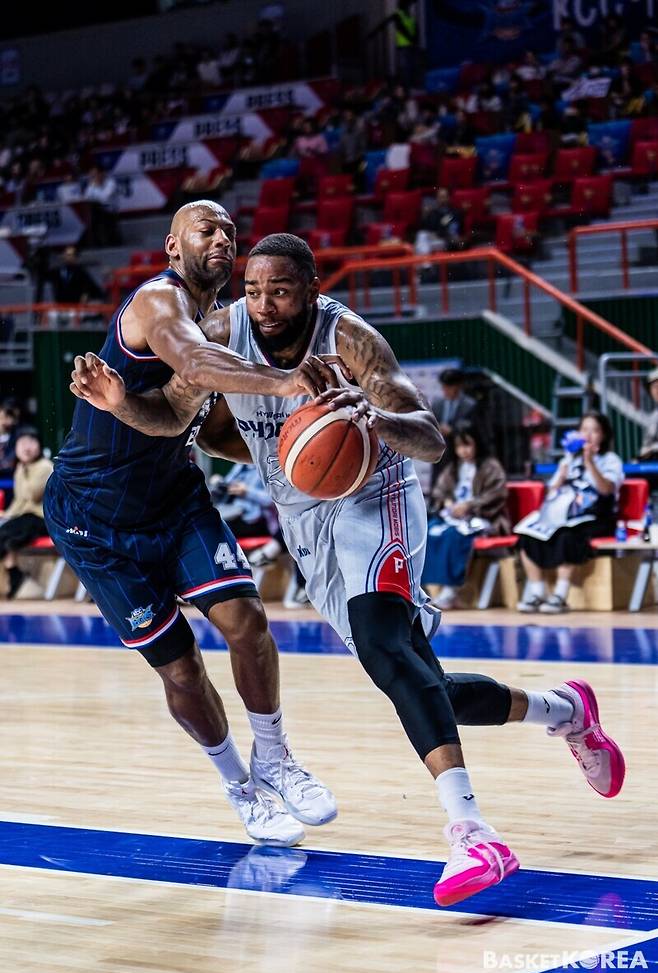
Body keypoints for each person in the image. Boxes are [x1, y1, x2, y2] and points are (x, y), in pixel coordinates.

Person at [72, 233, 626, 909]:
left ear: (311, 290)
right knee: (421, 684)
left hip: (375, 495)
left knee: (387, 650)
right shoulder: (222, 335)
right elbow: (170, 414)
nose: (264, 305)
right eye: (253, 290)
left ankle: (473, 833)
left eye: (280, 291)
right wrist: (120, 403)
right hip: (304, 519)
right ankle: (565, 710)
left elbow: (430, 436)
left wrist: (372, 418)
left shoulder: (350, 339)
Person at [44, 200, 338, 850]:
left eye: (230, 230)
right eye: (207, 228)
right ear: (173, 246)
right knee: (181, 668)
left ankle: (274, 757)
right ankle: (241, 786)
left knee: (248, 623)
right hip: (94, 518)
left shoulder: (220, 324)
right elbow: (197, 365)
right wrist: (287, 381)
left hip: (173, 499)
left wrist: (295, 457)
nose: (223, 237)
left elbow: (182, 421)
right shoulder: (159, 302)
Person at [516, 412, 624, 615]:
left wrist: (590, 463)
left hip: (596, 516)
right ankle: (537, 592)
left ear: (604, 435)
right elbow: (551, 492)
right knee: (527, 535)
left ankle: (560, 595)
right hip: (563, 514)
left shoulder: (610, 460)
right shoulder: (569, 458)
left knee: (567, 536)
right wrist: (561, 478)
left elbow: (606, 489)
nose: (589, 435)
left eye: (595, 430)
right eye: (585, 429)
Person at [424, 426, 509, 609]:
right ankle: (427, 589)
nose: (464, 450)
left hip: (484, 518)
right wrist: (447, 502)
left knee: (454, 535)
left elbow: (497, 494)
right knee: (431, 531)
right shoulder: (453, 467)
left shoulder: (491, 467)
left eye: (468, 445)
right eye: (459, 446)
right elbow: (439, 492)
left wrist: (469, 506)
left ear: (477, 444)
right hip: (454, 517)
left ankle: (451, 590)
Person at [0, 426, 52, 598]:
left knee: (8, 533)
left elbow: (32, 495)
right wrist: (7, 514)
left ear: (39, 445)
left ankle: (15, 574)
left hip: (41, 518)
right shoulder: (21, 468)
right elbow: (19, 500)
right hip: (25, 518)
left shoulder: (45, 467)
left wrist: (24, 470)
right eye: (21, 443)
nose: (26, 447)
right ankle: (14, 572)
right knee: (5, 532)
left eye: (31, 442)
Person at [638, 366, 658, 461]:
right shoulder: (654, 415)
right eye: (654, 387)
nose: (657, 390)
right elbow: (646, 446)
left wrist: (653, 449)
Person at [0, 399, 20, 479]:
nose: (3, 421)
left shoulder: (18, 436)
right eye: (1, 418)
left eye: (6, 417)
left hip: (11, 477)